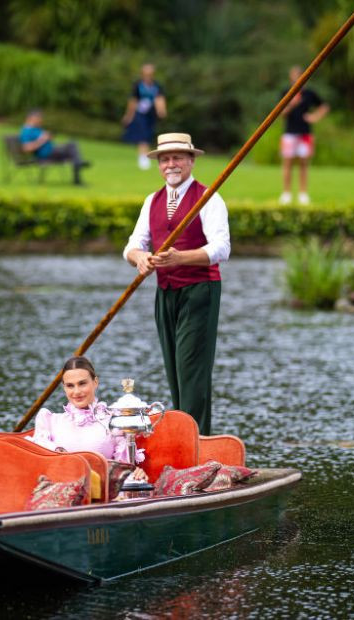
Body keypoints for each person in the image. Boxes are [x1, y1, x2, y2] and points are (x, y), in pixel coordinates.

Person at [123, 133, 230, 435]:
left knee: (192, 373)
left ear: (191, 161)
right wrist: (140, 258)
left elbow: (221, 248)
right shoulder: (152, 201)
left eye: (177, 158)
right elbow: (132, 245)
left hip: (199, 292)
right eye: (165, 159)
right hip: (165, 293)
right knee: (174, 371)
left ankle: (198, 444)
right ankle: (185, 443)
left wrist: (180, 258)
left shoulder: (209, 198)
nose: (171, 164)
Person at [29, 356, 144, 464]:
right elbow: (39, 452)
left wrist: (136, 472)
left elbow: (125, 467)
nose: (77, 391)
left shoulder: (114, 422)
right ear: (64, 387)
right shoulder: (50, 421)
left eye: (82, 383)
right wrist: (57, 450)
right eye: (70, 385)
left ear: (95, 382)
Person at [279, 66, 329, 205]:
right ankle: (287, 194)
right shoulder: (286, 92)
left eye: (299, 76)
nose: (296, 78)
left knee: (303, 164)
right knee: (287, 164)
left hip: (305, 133)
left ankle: (302, 194)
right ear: (291, 78)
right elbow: (281, 114)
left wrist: (315, 117)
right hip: (289, 133)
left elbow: (324, 106)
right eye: (294, 76)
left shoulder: (309, 93)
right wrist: (292, 104)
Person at [19, 109, 90, 186]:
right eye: (39, 118)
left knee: (71, 144)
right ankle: (78, 166)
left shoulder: (36, 129)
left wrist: (48, 137)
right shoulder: (26, 131)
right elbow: (27, 149)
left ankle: (78, 165)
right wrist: (42, 140)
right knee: (72, 145)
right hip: (45, 156)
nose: (41, 120)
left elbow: (44, 140)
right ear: (31, 118)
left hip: (52, 151)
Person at [121, 63, 167, 171]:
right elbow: (133, 101)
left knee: (148, 135)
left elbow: (160, 98)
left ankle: (146, 156)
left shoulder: (157, 86)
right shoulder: (138, 85)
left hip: (151, 114)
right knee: (142, 135)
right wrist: (128, 116)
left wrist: (161, 110)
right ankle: (143, 157)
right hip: (140, 113)